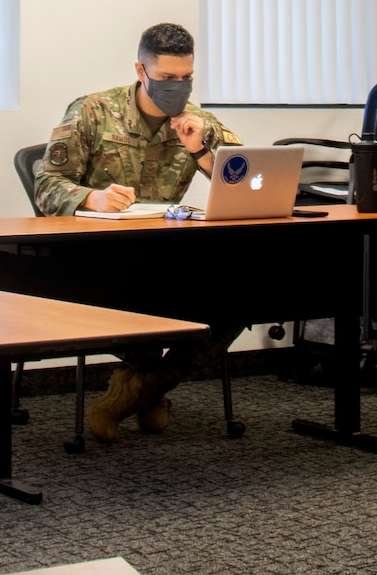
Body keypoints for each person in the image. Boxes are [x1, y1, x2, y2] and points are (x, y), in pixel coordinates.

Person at [34, 22, 242, 441]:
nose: (177, 88)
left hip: (169, 255)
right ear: (141, 71)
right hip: (101, 256)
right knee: (139, 304)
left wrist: (199, 149)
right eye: (166, 79)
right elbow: (46, 186)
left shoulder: (199, 122)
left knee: (239, 299)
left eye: (185, 79)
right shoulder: (91, 111)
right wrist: (91, 198)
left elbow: (242, 182)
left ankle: (133, 393)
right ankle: (149, 391)